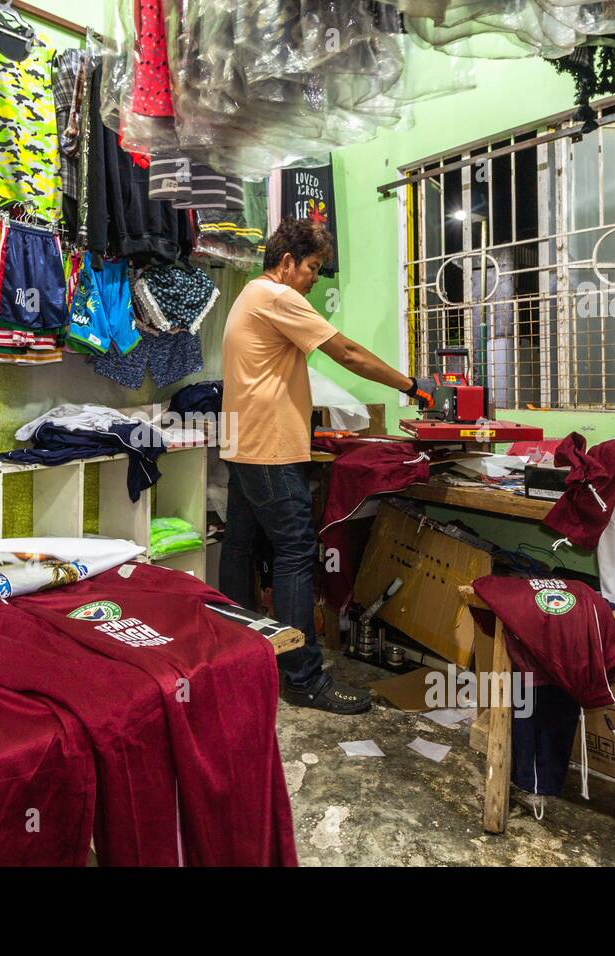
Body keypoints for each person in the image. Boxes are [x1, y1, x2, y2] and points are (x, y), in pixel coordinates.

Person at [218, 219, 432, 715]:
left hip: (243, 445)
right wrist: (411, 387)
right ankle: (303, 678)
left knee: (240, 548)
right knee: (294, 552)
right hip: (269, 448)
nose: (315, 279)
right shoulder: (278, 296)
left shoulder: (248, 296)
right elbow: (348, 353)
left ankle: (238, 656)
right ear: (287, 262)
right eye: (312, 268)